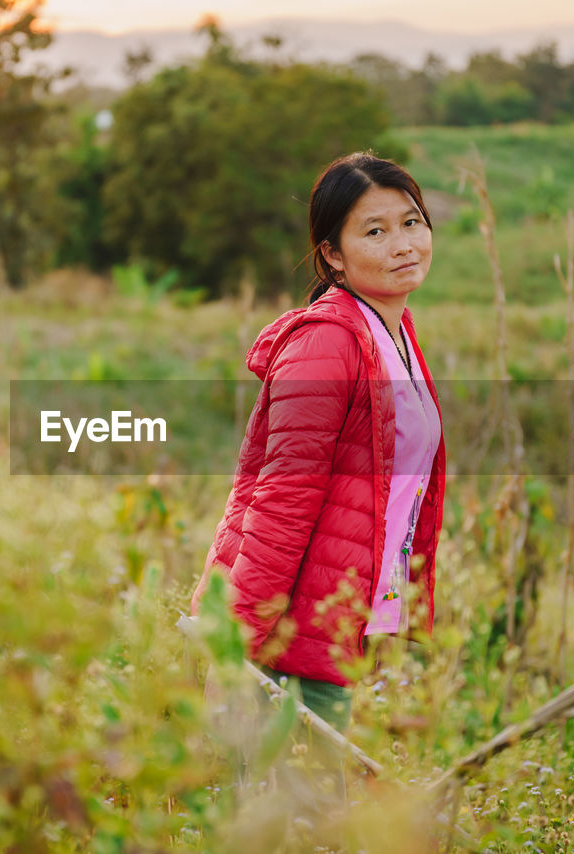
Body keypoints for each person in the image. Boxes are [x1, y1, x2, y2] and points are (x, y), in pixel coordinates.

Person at [190, 151, 446, 735]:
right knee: (281, 814)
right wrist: (239, 647)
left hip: (335, 631)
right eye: (375, 232)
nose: (403, 244)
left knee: (313, 815)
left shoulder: (393, 330)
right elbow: (282, 500)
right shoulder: (328, 343)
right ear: (333, 254)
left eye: (411, 222)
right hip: (286, 641)